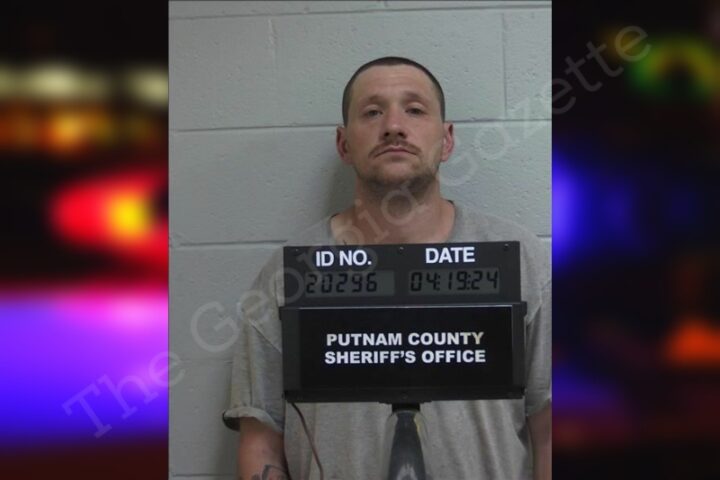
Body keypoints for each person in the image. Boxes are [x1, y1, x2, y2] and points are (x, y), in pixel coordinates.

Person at [223, 56, 551, 480]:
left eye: (414, 109)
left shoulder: (521, 260)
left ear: (447, 139)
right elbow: (261, 441)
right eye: (372, 112)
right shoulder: (288, 276)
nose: (394, 126)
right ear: (343, 144)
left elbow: (550, 428)